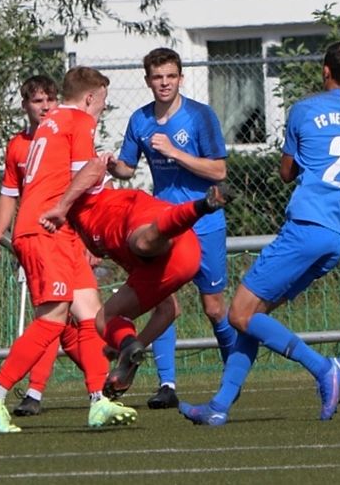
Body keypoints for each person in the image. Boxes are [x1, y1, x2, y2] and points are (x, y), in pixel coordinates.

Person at [179, 41, 340, 426]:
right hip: (334, 237)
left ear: (325, 70)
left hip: (304, 227)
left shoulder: (304, 110)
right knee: (254, 316)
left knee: (238, 312)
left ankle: (323, 368)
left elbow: (286, 172)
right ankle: (219, 406)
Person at [0, 67, 136, 434]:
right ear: (89, 98)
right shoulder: (78, 121)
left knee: (90, 315)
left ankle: (97, 400)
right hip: (45, 228)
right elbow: (82, 178)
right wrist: (106, 170)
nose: (101, 109)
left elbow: (72, 174)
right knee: (52, 321)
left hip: (61, 231)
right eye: (101, 101)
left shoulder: (54, 122)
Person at [39, 154, 232, 399]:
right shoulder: (77, 226)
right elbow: (169, 310)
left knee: (143, 242)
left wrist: (62, 206)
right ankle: (128, 352)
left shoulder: (71, 181)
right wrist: (129, 345)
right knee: (105, 320)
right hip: (176, 258)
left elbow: (94, 165)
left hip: (151, 225)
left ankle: (200, 207)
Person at [107, 47, 236, 410]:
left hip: (204, 221)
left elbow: (219, 172)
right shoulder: (140, 120)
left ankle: (233, 377)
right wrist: (109, 165)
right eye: (157, 77)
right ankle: (166, 383)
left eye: (170, 76)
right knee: (161, 302)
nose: (164, 83)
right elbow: (128, 168)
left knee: (213, 308)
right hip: (164, 223)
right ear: (147, 81)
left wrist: (176, 153)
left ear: (180, 78)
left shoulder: (199, 116)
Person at [0, 75, 87, 418]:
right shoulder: (19, 146)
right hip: (43, 236)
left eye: (50, 99)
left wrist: (89, 237)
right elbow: (9, 192)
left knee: (77, 315)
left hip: (69, 236)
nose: (45, 106)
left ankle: (103, 382)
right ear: (25, 105)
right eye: (37, 101)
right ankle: (33, 390)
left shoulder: (65, 131)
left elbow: (82, 183)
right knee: (55, 315)